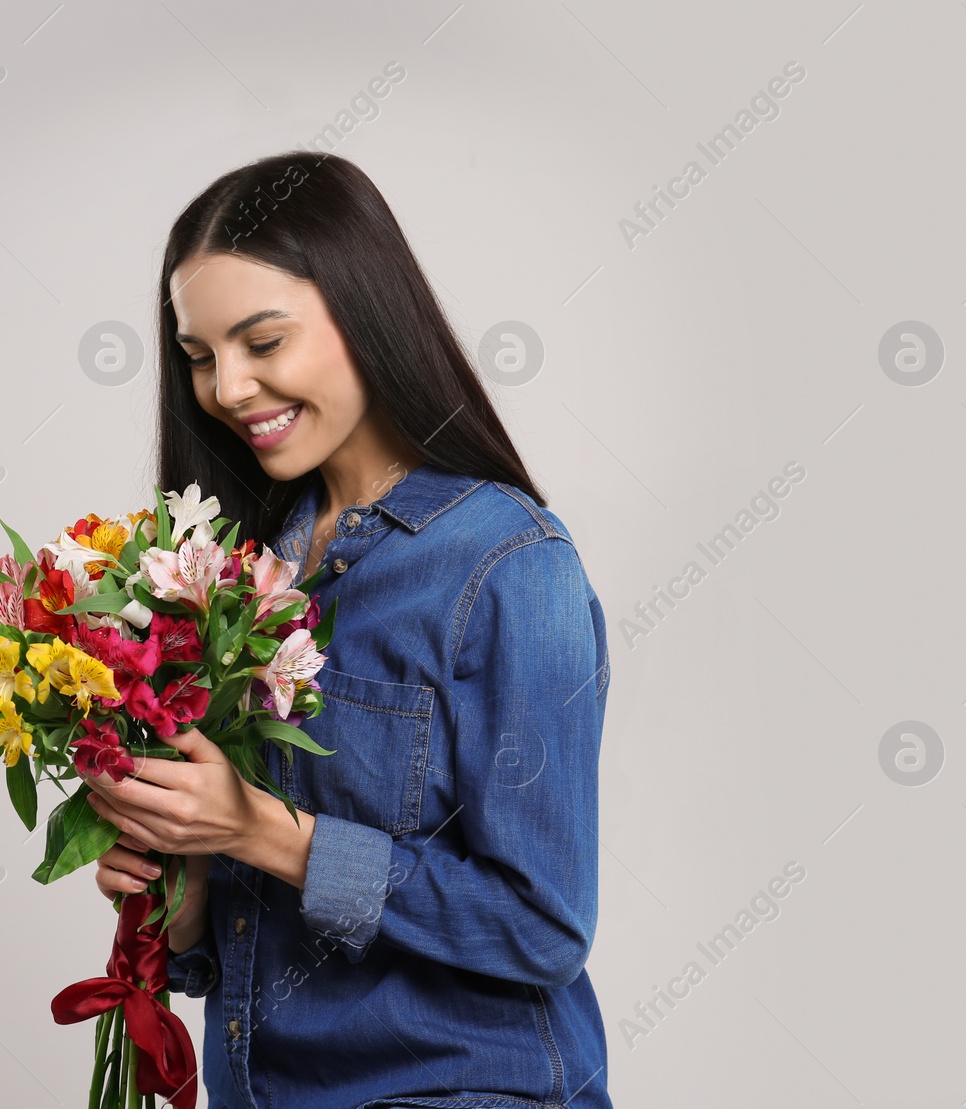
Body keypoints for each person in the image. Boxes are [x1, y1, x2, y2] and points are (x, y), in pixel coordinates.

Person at [77, 151, 612, 1109]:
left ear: (364, 314)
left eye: (262, 342)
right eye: (199, 357)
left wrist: (262, 829)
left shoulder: (507, 563)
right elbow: (241, 952)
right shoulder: (233, 572)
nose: (229, 388)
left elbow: (541, 927)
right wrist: (186, 882)